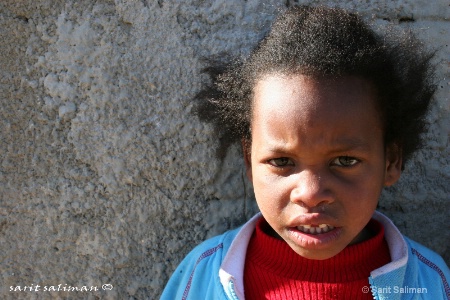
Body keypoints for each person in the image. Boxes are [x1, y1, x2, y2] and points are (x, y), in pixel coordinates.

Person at [161, 5, 449, 300]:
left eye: (345, 161)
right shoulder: (203, 275)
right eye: (281, 161)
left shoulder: (429, 283)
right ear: (249, 160)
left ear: (391, 161)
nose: (310, 193)